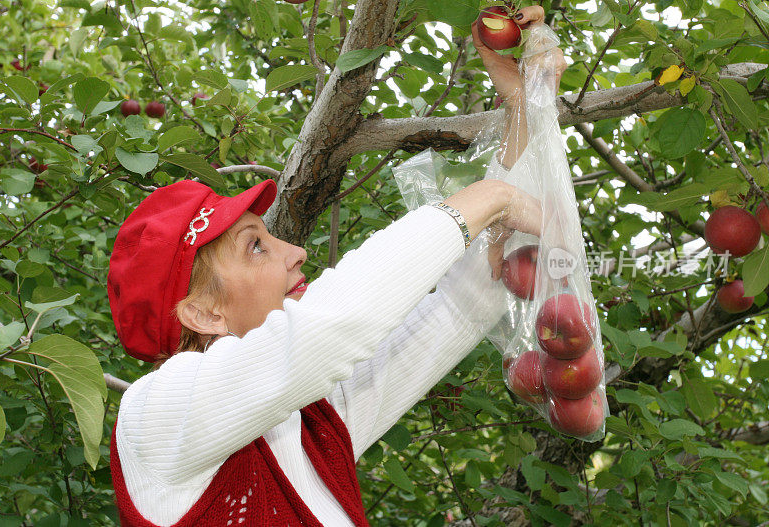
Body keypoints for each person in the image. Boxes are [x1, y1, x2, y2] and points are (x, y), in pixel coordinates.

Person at [107, 7, 565, 526]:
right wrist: (487, 197)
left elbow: (465, 303)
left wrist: (528, 103)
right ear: (204, 314)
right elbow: (333, 324)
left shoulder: (312, 426)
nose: (294, 252)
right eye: (255, 246)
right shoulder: (156, 416)